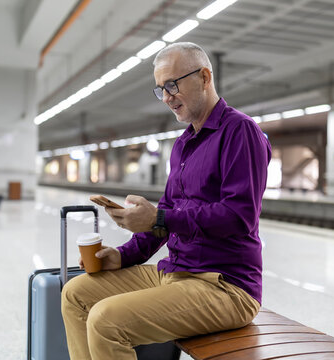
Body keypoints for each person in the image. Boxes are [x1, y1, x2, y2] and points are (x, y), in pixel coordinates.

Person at [61, 42, 272, 360]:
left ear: (204, 76)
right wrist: (121, 256)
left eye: (172, 85)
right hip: (174, 272)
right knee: (75, 294)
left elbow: (238, 216)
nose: (167, 97)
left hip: (224, 285)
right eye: (160, 90)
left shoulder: (240, 132)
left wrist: (159, 218)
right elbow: (166, 218)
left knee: (106, 320)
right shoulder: (183, 144)